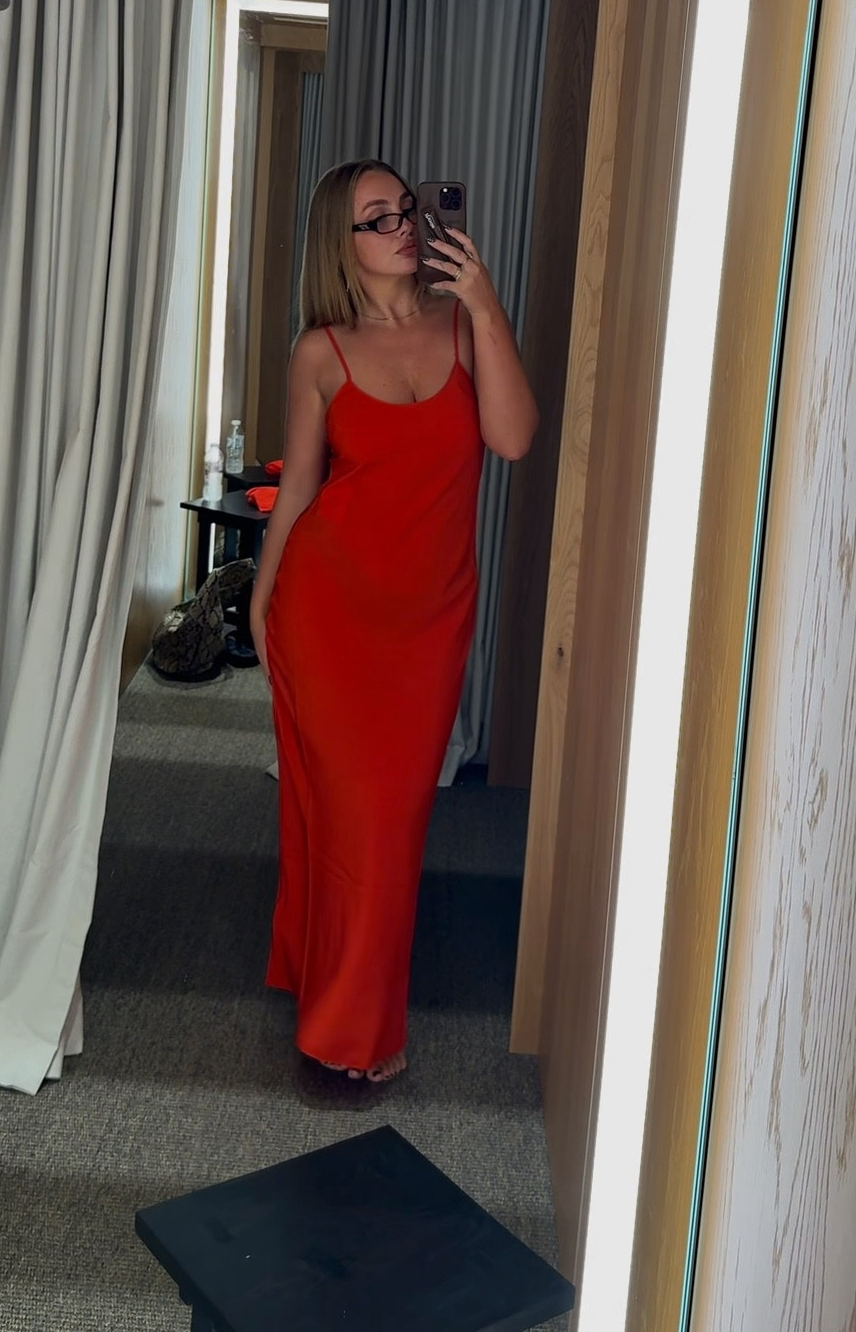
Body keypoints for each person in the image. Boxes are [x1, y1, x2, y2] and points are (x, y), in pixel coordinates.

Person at [248, 159, 538, 1084]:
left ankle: (320, 973)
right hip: (328, 611)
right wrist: (261, 596)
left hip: (428, 626)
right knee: (351, 818)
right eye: (378, 218)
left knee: (391, 822)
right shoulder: (319, 352)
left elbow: (514, 437)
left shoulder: (462, 325)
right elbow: (299, 488)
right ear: (341, 244)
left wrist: (485, 304)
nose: (404, 226)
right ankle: (353, 1033)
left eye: (406, 209)